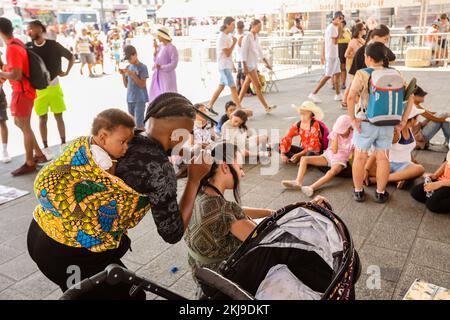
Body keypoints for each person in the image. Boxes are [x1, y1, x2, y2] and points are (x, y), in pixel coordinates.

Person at [184, 142, 274, 297]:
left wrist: (270, 212)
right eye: (239, 167)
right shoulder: (225, 211)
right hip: (224, 280)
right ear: (225, 167)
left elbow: (236, 213)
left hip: (201, 271)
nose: (243, 173)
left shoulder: (198, 191)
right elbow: (264, 241)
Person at [348, 42, 414, 203]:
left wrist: (353, 119)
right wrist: (403, 121)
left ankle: (358, 191)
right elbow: (410, 96)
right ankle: (380, 192)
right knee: (383, 158)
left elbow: (350, 97)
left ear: (369, 58)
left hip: (366, 123)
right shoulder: (395, 73)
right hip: (388, 123)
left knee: (360, 157)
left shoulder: (362, 73)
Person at [0, 17, 47, 176]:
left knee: (24, 126)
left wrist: (1, 72)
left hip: (22, 91)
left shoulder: (11, 48)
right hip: (24, 90)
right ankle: (39, 155)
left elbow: (16, 74)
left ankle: (29, 162)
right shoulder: (17, 42)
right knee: (19, 123)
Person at [27, 20, 75, 157]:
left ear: (40, 30)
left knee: (59, 116)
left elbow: (71, 57)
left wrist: (66, 72)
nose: (29, 31)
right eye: (28, 29)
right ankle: (46, 147)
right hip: (38, 90)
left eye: (31, 29)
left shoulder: (53, 45)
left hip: (54, 86)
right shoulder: (28, 48)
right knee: (42, 118)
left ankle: (63, 143)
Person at [282, 115, 354, 197]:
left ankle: (312, 187)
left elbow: (348, 153)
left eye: (342, 130)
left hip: (340, 160)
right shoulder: (335, 133)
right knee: (304, 159)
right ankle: (298, 181)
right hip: (328, 155)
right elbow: (333, 150)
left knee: (332, 172)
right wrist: (336, 135)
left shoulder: (354, 136)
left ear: (349, 128)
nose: (340, 132)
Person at [365, 106, 426, 189]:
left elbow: (407, 150)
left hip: (403, 166)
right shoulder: (395, 132)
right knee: (363, 166)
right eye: (416, 118)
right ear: (411, 119)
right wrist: (366, 169)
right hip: (386, 164)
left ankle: (378, 179)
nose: (417, 120)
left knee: (420, 169)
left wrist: (415, 163)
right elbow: (378, 151)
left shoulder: (410, 129)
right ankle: (397, 178)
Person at [206, 17, 243, 116]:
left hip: (226, 65)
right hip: (223, 65)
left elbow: (228, 54)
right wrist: (234, 43)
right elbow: (227, 53)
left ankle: (209, 105)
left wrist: (233, 65)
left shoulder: (227, 36)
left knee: (221, 87)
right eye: (233, 25)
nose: (234, 27)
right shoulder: (222, 37)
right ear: (227, 25)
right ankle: (239, 109)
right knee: (233, 87)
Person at [239, 19, 276, 113]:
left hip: (253, 64)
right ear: (253, 26)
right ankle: (266, 107)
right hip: (249, 65)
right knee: (258, 86)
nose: (260, 28)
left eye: (260, 27)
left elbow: (260, 51)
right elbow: (243, 52)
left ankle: (237, 105)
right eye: (258, 26)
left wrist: (266, 63)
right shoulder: (247, 37)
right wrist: (244, 67)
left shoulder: (256, 37)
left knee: (246, 85)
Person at [308, 11, 344, 104]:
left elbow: (327, 42)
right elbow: (335, 42)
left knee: (337, 73)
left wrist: (323, 54)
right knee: (328, 75)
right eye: (339, 18)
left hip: (334, 55)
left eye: (342, 18)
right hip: (331, 55)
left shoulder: (333, 27)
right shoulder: (332, 28)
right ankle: (313, 93)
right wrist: (340, 29)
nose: (341, 20)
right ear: (335, 18)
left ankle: (338, 94)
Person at [411, 145, 450, 214]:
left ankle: (435, 199)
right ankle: (436, 198)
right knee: (416, 192)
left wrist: (437, 185)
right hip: (443, 180)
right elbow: (446, 162)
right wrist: (436, 175)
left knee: (432, 204)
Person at [120, 45, 149, 130]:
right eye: (127, 59)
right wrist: (123, 75)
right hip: (130, 98)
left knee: (139, 124)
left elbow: (142, 85)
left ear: (135, 55)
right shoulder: (128, 67)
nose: (129, 61)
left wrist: (133, 75)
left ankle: (142, 140)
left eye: (130, 58)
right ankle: (136, 140)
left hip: (140, 99)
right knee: (132, 123)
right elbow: (126, 85)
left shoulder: (143, 67)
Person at [148, 27, 179, 104]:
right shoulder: (160, 47)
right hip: (159, 75)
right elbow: (156, 61)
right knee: (159, 94)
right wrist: (155, 50)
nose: (157, 37)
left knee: (168, 95)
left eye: (158, 36)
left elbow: (174, 64)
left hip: (168, 76)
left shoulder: (172, 48)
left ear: (162, 36)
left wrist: (161, 67)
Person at [342, 22, 366, 109]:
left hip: (359, 65)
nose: (365, 30)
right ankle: (345, 100)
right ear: (359, 30)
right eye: (364, 29)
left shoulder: (362, 40)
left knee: (355, 83)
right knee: (352, 83)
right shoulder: (353, 41)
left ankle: (353, 101)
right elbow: (346, 54)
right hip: (352, 65)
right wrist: (356, 54)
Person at [0, 55, 10, 163]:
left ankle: (4, 150)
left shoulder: (3, 67)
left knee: (2, 122)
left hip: (0, 97)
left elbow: (7, 75)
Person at [338, 20, 351, 90]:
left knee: (343, 68)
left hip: (346, 49)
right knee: (338, 68)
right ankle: (335, 83)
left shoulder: (347, 31)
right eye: (341, 24)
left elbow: (350, 40)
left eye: (343, 24)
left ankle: (343, 83)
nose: (342, 25)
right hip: (339, 49)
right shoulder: (336, 31)